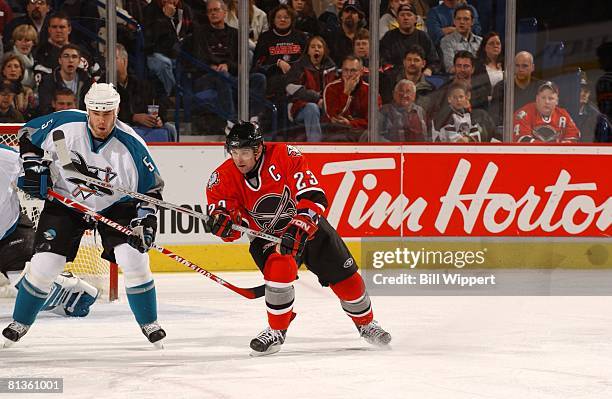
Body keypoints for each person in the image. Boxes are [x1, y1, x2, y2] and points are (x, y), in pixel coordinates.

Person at [205, 121, 391, 356]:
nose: (239, 159)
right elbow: (231, 225)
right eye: (234, 152)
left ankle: (366, 324)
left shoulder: (284, 155)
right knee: (279, 268)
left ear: (258, 149)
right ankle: (276, 331)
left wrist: (299, 226)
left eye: (244, 152)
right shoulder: (221, 178)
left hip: (308, 226)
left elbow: (315, 195)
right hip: (268, 237)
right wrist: (222, 225)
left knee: (348, 281)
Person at [1, 83, 166, 348]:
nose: (102, 120)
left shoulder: (133, 145)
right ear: (87, 109)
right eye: (96, 113)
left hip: (116, 205)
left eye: (108, 113)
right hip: (67, 201)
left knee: (133, 259)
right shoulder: (65, 123)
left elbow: (151, 190)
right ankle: (19, 323)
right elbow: (27, 132)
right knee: (45, 265)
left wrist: (145, 221)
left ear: (117, 111)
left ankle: (150, 322)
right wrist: (32, 166)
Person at [0, 145, 99, 316]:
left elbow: (32, 165)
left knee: (36, 292)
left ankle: (66, 284)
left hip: (10, 233)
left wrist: (36, 176)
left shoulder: (3, 156)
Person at [285, 35, 337, 142]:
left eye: (319, 46)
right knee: (312, 108)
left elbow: (335, 89)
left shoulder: (331, 68)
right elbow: (290, 87)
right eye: (313, 46)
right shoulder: (299, 66)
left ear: (324, 51)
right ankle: (315, 146)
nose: (316, 49)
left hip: (326, 106)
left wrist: (325, 102)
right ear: (308, 51)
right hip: (301, 107)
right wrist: (317, 98)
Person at [323, 55, 380, 141]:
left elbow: (373, 121)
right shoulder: (331, 88)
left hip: (363, 133)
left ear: (361, 72)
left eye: (353, 70)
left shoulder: (371, 91)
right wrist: (346, 93)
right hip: (337, 133)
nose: (349, 74)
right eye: (346, 70)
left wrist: (350, 123)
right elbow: (334, 117)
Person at [380, 4, 440, 75]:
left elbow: (435, 61)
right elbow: (384, 63)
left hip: (420, 78)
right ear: (397, 19)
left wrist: (429, 70)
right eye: (402, 15)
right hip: (395, 78)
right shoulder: (389, 37)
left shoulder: (423, 37)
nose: (405, 18)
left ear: (416, 19)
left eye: (409, 15)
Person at [513, 81, 580, 143]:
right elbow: (522, 139)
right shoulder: (524, 114)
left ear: (557, 101)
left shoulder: (563, 115)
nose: (547, 102)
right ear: (537, 99)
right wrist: (551, 148)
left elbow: (574, 136)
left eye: (551, 98)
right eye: (543, 98)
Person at [37, 44, 93, 114]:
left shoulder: (87, 81)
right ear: (60, 60)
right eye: (66, 56)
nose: (70, 60)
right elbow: (45, 108)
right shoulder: (48, 81)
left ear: (79, 61)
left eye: (74, 57)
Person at [439, 4, 482, 73]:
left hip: (479, 79)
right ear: (454, 21)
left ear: (472, 22)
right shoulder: (446, 41)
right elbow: (450, 68)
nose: (461, 22)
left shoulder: (480, 41)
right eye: (458, 19)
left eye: (466, 19)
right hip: (457, 80)